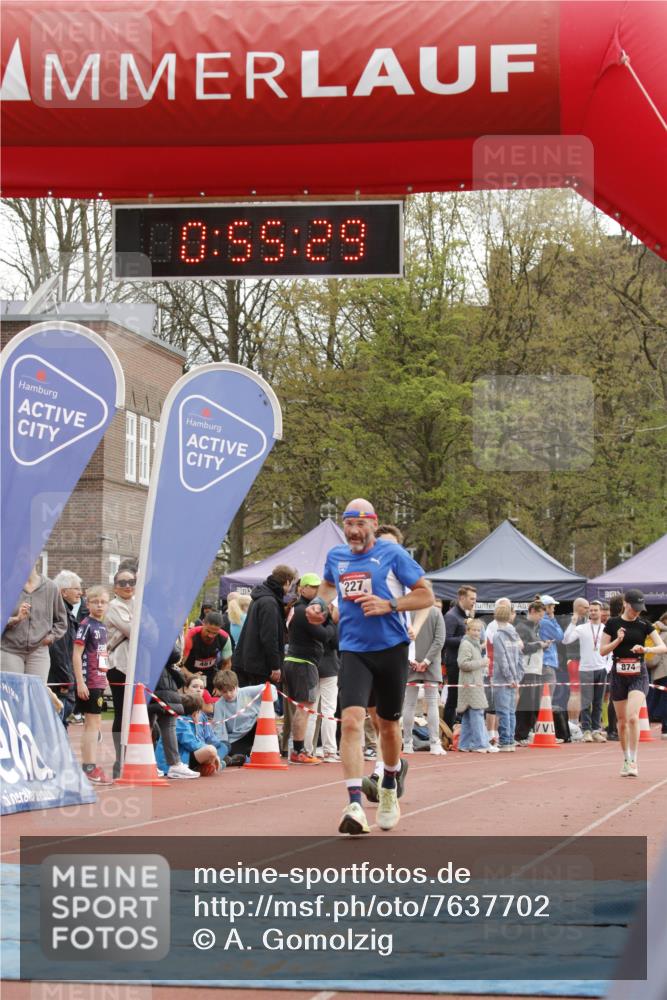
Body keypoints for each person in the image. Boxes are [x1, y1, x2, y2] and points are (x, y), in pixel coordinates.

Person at [306, 498, 433, 835]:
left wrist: (390, 604)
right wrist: (319, 604)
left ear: (374, 524)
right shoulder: (337, 556)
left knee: (387, 726)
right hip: (353, 650)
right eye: (349, 524)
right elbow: (328, 585)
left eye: (361, 524)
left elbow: (426, 596)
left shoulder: (393, 555)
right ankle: (354, 805)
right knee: (351, 721)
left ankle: (389, 785)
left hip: (391, 649)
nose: (354, 531)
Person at [600, 589, 666, 777]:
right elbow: (602, 651)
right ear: (625, 604)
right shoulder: (612, 623)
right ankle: (626, 758)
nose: (637, 611)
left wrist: (645, 649)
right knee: (621, 722)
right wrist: (618, 640)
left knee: (632, 717)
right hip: (618, 674)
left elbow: (663, 647)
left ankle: (634, 761)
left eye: (639, 608)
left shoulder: (644, 624)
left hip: (639, 674)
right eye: (634, 608)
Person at [283, 573, 336, 764]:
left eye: (317, 587)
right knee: (305, 708)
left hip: (299, 661)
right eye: (312, 587)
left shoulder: (298, 608)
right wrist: (331, 621)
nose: (315, 590)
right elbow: (325, 635)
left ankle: (298, 749)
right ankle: (298, 751)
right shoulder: (303, 610)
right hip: (302, 662)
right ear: (301, 588)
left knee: (304, 708)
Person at [72, 585, 113, 784]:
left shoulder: (102, 626)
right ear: (88, 604)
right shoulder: (86, 625)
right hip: (88, 680)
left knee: (94, 724)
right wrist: (81, 682)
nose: (99, 605)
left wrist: (104, 676)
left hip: (98, 680)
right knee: (92, 724)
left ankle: (88, 766)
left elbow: (101, 654)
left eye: (103, 602)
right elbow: (76, 654)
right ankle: (89, 767)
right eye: (95, 602)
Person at [1, 562, 67, 681]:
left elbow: (61, 622)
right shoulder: (5, 586)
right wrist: (15, 619)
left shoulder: (51, 587)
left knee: (36, 690)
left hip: (39, 651)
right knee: (12, 690)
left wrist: (51, 637)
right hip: (9, 650)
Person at [232, 565, 296, 687]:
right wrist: (275, 666)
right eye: (291, 584)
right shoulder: (269, 602)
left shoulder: (260, 598)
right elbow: (269, 637)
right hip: (261, 667)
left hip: (250, 663)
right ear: (287, 582)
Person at [402, 582, 446, 755]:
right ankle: (434, 743)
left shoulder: (405, 613)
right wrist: (427, 661)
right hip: (431, 664)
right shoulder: (435, 612)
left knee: (409, 704)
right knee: (432, 702)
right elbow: (439, 640)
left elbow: (400, 638)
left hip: (409, 663)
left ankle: (407, 743)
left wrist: (412, 660)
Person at [148, 647, 199, 779]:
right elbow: (175, 655)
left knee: (148, 723)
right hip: (161, 682)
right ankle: (174, 764)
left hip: (152, 678)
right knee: (167, 724)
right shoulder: (161, 636)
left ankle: (147, 762)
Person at [105, 567, 137, 779]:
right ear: (115, 587)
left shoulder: (139, 603)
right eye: (122, 583)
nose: (127, 586)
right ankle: (120, 760)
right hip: (120, 666)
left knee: (140, 713)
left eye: (131, 582)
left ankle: (137, 757)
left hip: (139, 666)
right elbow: (133, 630)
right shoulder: (113, 607)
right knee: (122, 713)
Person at [563, 599, 609, 742]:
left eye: (596, 610)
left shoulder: (606, 629)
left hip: (601, 669)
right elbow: (566, 640)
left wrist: (607, 668)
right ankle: (586, 730)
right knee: (585, 702)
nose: (593, 612)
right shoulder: (581, 628)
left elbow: (611, 651)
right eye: (591, 610)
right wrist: (573, 623)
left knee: (598, 702)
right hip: (585, 669)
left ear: (601, 612)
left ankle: (596, 730)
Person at [155, 691, 230, 776]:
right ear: (195, 713)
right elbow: (192, 744)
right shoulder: (180, 721)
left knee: (221, 746)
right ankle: (216, 764)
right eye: (200, 712)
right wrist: (215, 754)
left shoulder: (186, 721)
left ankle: (206, 767)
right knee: (211, 750)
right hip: (168, 765)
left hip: (183, 757)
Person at [212, 669, 276, 757]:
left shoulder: (247, 692)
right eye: (224, 692)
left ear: (236, 686)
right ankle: (248, 752)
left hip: (254, 727)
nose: (229, 694)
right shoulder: (219, 705)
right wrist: (223, 745)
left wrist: (267, 703)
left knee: (262, 721)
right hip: (237, 737)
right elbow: (219, 728)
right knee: (232, 753)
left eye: (231, 690)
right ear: (219, 691)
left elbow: (270, 688)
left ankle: (268, 744)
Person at [47, 571, 83, 727]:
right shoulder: (61, 615)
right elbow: (59, 650)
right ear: (63, 592)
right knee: (58, 724)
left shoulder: (65, 613)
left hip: (61, 677)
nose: (80, 593)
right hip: (59, 680)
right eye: (76, 588)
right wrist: (67, 681)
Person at [457, 618, 497, 752]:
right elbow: (463, 664)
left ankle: (464, 744)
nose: (476, 633)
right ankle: (481, 744)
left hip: (473, 683)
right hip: (470, 684)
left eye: (479, 630)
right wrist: (482, 662)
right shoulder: (466, 645)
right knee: (477, 712)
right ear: (467, 631)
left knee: (469, 715)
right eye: (474, 630)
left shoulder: (473, 645)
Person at [514, 601, 549, 745]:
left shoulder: (535, 627)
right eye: (540, 615)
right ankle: (520, 734)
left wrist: (543, 645)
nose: (541, 619)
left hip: (535, 668)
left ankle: (527, 732)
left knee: (533, 702)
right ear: (533, 611)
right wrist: (539, 645)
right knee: (526, 702)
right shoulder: (521, 627)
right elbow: (521, 648)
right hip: (527, 669)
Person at [443, 585, 477, 729]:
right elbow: (446, 640)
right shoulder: (451, 616)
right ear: (462, 598)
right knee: (453, 699)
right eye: (472, 598)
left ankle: (462, 731)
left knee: (466, 699)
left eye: (475, 599)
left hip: (467, 663)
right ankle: (448, 732)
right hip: (455, 664)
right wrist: (466, 638)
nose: (474, 601)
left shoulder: (465, 616)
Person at [492, 603, 523, 751]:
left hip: (502, 679)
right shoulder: (514, 634)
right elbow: (520, 656)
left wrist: (510, 678)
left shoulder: (498, 635)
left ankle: (505, 741)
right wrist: (517, 677)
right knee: (510, 711)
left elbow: (501, 659)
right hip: (514, 677)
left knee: (503, 711)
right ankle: (509, 739)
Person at [182, 612, 233, 691]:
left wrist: (220, 685)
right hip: (189, 673)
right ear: (203, 624)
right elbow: (179, 665)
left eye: (215, 633)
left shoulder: (224, 638)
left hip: (210, 674)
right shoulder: (190, 636)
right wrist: (190, 675)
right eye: (208, 631)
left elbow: (227, 664)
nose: (210, 635)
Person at [646, 612, 667, 739]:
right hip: (664, 670)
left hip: (657, 671)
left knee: (655, 698)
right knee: (664, 700)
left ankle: (645, 723)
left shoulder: (655, 630)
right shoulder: (664, 633)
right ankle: (665, 729)